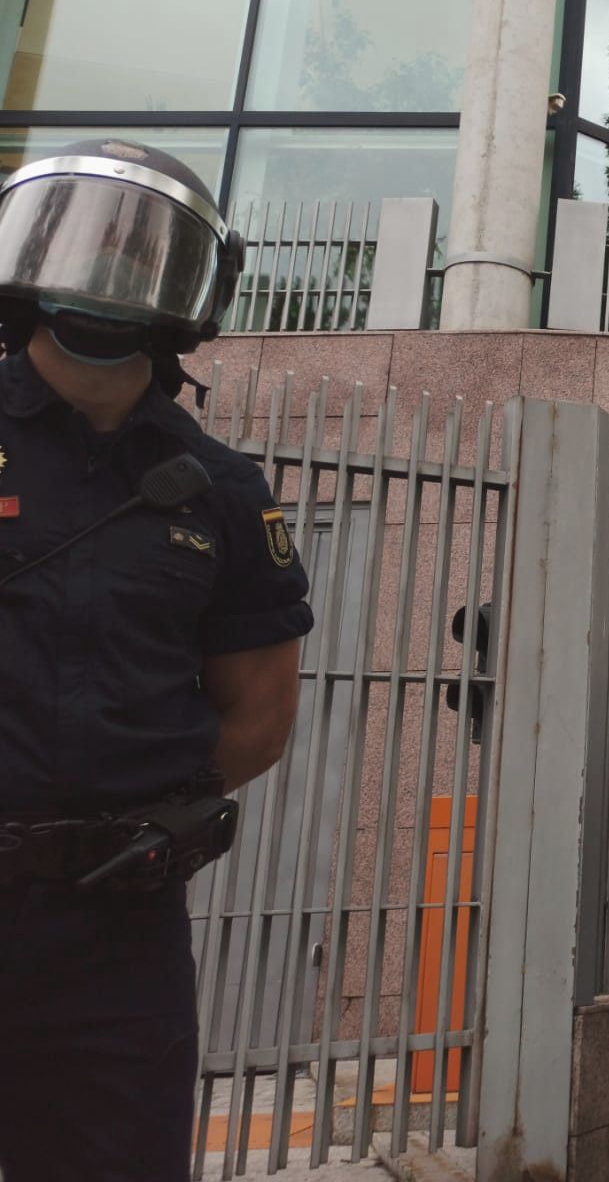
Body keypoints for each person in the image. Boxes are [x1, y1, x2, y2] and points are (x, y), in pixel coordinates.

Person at [0, 140, 314, 1181]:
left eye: (143, 256)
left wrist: (125, 819)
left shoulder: (222, 489)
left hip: (116, 932)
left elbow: (260, 714)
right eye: (85, 240)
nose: (106, 276)